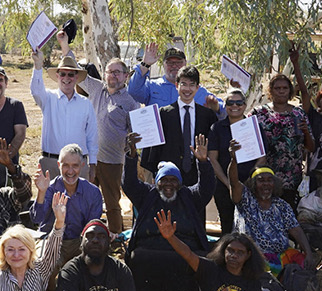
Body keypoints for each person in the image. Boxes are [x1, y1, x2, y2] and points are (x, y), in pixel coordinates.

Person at [123, 132, 215, 291]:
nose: (168, 184)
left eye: (173, 180)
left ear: (180, 183)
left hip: (186, 248)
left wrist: (203, 162)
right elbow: (129, 183)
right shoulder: (147, 195)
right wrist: (132, 155)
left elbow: (207, 187)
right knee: (137, 257)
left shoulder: (189, 196)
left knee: (203, 261)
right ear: (157, 182)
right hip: (151, 249)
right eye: (164, 180)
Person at [82, 55, 140, 232]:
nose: (113, 75)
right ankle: (88, 235)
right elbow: (75, 72)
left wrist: (131, 147)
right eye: (110, 71)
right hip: (90, 158)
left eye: (117, 72)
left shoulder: (131, 102)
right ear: (104, 74)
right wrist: (64, 45)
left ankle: (116, 237)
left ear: (125, 76)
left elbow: (136, 133)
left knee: (112, 203)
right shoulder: (96, 88)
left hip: (113, 160)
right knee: (87, 201)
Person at [227, 161, 314, 273]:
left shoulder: (282, 205)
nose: (266, 184)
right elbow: (234, 182)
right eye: (261, 180)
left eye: (269, 180)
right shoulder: (245, 199)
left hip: (280, 256)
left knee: (304, 266)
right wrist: (233, 160)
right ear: (253, 184)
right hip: (253, 256)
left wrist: (308, 253)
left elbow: (296, 230)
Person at [141, 64, 219, 188]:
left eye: (192, 85)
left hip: (197, 175)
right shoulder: (163, 114)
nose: (187, 89)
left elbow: (214, 146)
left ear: (197, 88)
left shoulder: (207, 115)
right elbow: (153, 150)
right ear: (177, 85)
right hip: (169, 177)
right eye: (184, 84)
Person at [33, 144, 106, 276]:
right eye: (65, 165)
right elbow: (37, 219)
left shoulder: (93, 192)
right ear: (58, 165)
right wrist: (41, 192)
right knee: (44, 266)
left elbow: (92, 227)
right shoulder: (49, 188)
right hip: (51, 240)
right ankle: (49, 290)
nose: (70, 171)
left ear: (82, 165)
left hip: (80, 241)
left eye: (75, 166)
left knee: (95, 264)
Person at [31, 51, 97, 177]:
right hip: (51, 163)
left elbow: (92, 135)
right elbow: (35, 90)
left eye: (71, 74)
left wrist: (92, 164)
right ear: (57, 76)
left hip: (78, 165)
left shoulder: (85, 103)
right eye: (63, 74)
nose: (66, 78)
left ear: (76, 77)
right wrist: (38, 65)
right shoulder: (48, 98)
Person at [253, 72, 313, 208]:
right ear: (270, 91)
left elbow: (311, 148)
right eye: (277, 88)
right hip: (264, 177)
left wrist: (306, 132)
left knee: (288, 215)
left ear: (290, 91)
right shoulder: (259, 113)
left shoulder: (299, 114)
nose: (281, 91)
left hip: (292, 179)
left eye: (285, 88)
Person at [209, 88, 259, 234]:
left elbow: (262, 157)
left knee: (251, 228)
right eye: (230, 103)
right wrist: (229, 184)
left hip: (251, 186)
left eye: (239, 103)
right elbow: (213, 159)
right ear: (225, 106)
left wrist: (250, 181)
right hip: (224, 187)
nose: (235, 106)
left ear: (245, 105)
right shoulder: (217, 128)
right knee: (227, 226)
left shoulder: (254, 126)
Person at [128, 42, 212, 108]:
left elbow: (218, 109)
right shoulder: (152, 86)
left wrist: (216, 108)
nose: (174, 66)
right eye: (170, 63)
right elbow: (133, 92)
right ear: (163, 64)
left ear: (185, 63)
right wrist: (145, 65)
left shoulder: (198, 91)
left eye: (178, 62)